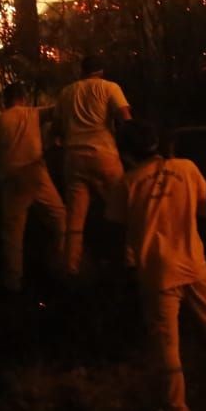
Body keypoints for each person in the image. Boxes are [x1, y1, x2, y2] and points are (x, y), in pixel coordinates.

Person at [107, 119, 206, 411]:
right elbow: (205, 209)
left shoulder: (125, 184)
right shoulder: (186, 168)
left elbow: (118, 228)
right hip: (193, 263)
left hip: (157, 271)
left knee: (167, 343)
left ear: (125, 153)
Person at [54, 53, 131, 274]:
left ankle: (71, 268)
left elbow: (57, 129)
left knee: (75, 220)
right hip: (103, 153)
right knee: (123, 209)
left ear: (82, 71)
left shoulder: (66, 92)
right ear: (102, 71)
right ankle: (131, 261)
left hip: (74, 158)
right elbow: (125, 118)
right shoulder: (109, 87)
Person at [0, 82, 66, 292]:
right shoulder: (33, 113)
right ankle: (63, 265)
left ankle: (13, 284)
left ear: (6, 100)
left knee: (12, 235)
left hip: (11, 179)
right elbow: (59, 110)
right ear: (22, 98)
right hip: (36, 173)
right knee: (61, 220)